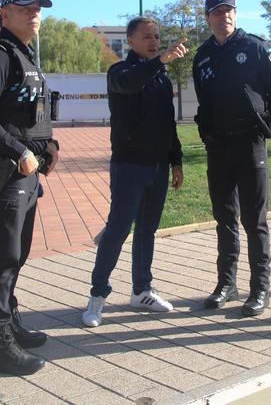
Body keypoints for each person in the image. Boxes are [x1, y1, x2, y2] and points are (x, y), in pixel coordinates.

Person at [0, 0, 59, 374]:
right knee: (2, 258)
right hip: (7, 173)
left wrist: (46, 144)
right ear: (5, 14)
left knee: (16, 254)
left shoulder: (23, 55)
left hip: (27, 176)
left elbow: (27, 115)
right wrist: (19, 151)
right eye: (25, 8)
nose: (34, 13)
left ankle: (11, 323)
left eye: (37, 7)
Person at [81, 17, 188, 327]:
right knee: (117, 230)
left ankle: (142, 290)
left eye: (157, 36)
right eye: (147, 37)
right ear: (131, 41)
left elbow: (169, 124)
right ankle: (97, 297)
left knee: (146, 231)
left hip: (157, 168)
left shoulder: (161, 79)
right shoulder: (120, 72)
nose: (154, 41)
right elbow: (129, 84)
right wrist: (162, 61)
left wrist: (176, 161)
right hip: (129, 167)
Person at [193, 0, 271, 316]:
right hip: (218, 147)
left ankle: (260, 289)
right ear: (208, 18)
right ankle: (227, 284)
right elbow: (204, 99)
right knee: (224, 218)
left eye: (228, 10)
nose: (224, 16)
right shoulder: (201, 56)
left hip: (250, 145)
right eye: (217, 12)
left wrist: (263, 125)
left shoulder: (256, 48)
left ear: (235, 13)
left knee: (254, 220)